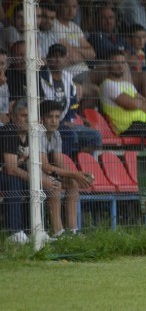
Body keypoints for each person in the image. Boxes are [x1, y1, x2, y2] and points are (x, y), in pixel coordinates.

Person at [0, 99, 61, 244]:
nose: (28, 119)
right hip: (5, 174)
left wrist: (43, 179)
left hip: (12, 174)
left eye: (30, 116)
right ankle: (14, 233)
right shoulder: (8, 132)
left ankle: (35, 230)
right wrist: (38, 179)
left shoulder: (31, 135)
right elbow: (11, 168)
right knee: (15, 182)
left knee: (36, 186)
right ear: (13, 117)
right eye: (23, 115)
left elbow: (32, 165)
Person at [39, 100, 93, 237]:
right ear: (41, 119)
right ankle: (58, 232)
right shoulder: (38, 133)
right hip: (30, 172)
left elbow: (58, 162)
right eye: (50, 117)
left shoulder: (56, 134)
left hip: (46, 173)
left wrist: (75, 176)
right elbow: (45, 166)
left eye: (57, 117)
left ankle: (72, 230)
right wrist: (75, 174)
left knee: (72, 183)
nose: (53, 121)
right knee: (55, 185)